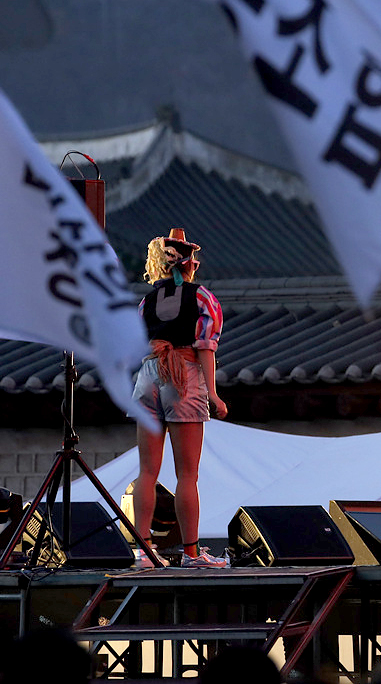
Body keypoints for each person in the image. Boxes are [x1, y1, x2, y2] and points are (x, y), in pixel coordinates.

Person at [130, 228, 229, 567]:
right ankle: (191, 553)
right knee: (187, 474)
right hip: (182, 373)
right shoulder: (201, 297)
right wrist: (213, 394)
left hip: (148, 374)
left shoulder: (146, 301)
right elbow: (205, 347)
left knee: (147, 471)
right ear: (189, 265)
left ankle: (143, 551)